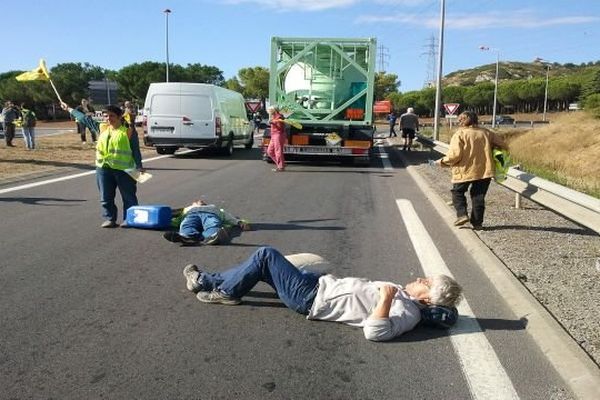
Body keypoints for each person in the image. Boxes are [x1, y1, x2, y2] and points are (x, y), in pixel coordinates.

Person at [182, 246, 463, 342]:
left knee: (265, 255)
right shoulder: (405, 296)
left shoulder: (409, 312)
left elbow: (376, 333)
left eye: (424, 282)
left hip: (310, 298)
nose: (417, 279)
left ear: (427, 298)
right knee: (258, 267)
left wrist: (387, 299)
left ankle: (224, 291)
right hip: (318, 285)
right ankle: (204, 280)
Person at [61, 101, 144, 228]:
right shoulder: (101, 128)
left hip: (125, 170)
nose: (108, 118)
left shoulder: (128, 131)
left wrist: (139, 165)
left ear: (119, 117)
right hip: (104, 169)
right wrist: (69, 109)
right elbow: (84, 118)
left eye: (111, 116)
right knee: (106, 197)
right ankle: (109, 218)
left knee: (129, 196)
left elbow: (135, 149)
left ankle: (130, 219)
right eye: (106, 116)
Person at [435, 110, 508, 230]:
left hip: (465, 170)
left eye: (461, 119)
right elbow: (503, 145)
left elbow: (455, 155)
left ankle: (462, 214)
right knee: (478, 196)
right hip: (485, 170)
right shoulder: (486, 133)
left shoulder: (460, 134)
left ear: (467, 119)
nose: (459, 121)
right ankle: (477, 223)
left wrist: (442, 162)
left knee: (457, 192)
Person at [164, 199, 251, 245]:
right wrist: (165, 221)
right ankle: (186, 237)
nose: (201, 201)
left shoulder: (213, 207)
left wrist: (239, 222)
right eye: (198, 201)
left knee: (213, 224)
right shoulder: (186, 209)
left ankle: (211, 237)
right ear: (193, 203)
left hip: (210, 215)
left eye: (202, 201)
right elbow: (176, 219)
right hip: (191, 215)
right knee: (186, 225)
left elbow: (227, 216)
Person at [266, 105, 286, 172]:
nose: (268, 111)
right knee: (270, 151)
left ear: (273, 110)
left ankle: (281, 166)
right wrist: (271, 121)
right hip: (273, 135)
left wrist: (272, 122)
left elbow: (280, 127)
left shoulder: (279, 116)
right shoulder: (273, 116)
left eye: (269, 110)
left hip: (278, 134)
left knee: (278, 151)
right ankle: (280, 164)